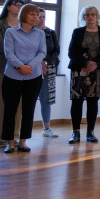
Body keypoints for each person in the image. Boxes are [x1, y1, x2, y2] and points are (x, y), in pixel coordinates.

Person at [1, 4, 46, 153]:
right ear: (23, 14)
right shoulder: (11, 32)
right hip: (12, 75)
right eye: (32, 14)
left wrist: (29, 66)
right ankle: (10, 142)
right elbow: (9, 52)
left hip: (34, 76)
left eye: (37, 15)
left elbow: (42, 52)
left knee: (29, 109)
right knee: (10, 110)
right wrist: (21, 66)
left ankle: (23, 141)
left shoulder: (40, 34)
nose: (35, 17)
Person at [0, 0, 25, 147]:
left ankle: (13, 136)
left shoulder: (24, 25)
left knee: (18, 104)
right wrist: (19, 58)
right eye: (17, 5)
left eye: (21, 5)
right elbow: (1, 46)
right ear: (8, 7)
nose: (19, 7)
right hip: (2, 67)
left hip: (20, 69)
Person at [67, 6, 100, 144]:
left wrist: (94, 64)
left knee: (93, 101)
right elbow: (71, 52)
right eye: (87, 15)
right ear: (83, 17)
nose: (90, 17)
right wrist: (85, 63)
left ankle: (90, 132)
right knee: (77, 101)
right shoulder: (77, 32)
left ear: (97, 16)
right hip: (79, 70)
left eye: (93, 14)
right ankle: (75, 132)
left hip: (97, 70)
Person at [36, 8, 60, 138]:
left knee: (45, 99)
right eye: (39, 16)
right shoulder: (30, 32)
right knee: (27, 99)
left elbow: (56, 51)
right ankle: (22, 129)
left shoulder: (50, 33)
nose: (41, 19)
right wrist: (39, 62)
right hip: (32, 68)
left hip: (48, 68)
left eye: (43, 16)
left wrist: (45, 62)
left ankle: (47, 128)